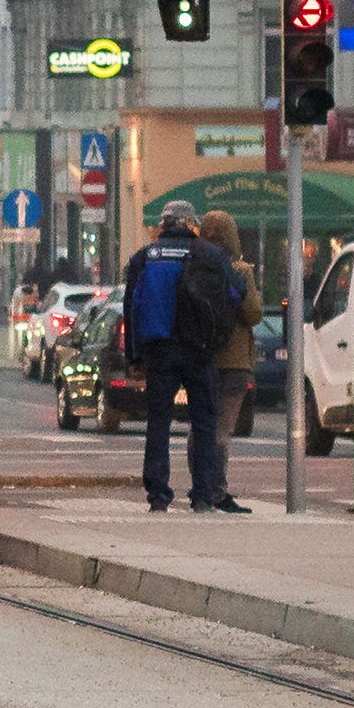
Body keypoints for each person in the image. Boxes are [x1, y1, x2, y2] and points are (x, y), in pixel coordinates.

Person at [121, 199, 248, 515]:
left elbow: (131, 309)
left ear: (162, 225)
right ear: (192, 224)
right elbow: (236, 294)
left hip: (160, 351)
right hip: (200, 350)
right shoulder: (211, 256)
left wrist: (134, 356)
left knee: (159, 422)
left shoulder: (145, 258)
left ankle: (158, 495)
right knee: (204, 422)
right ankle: (203, 494)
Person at [201, 209, 266, 487]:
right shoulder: (240, 271)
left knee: (201, 426)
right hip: (236, 361)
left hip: (202, 357)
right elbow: (253, 314)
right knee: (223, 429)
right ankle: (216, 485)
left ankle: (200, 484)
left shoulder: (194, 267)